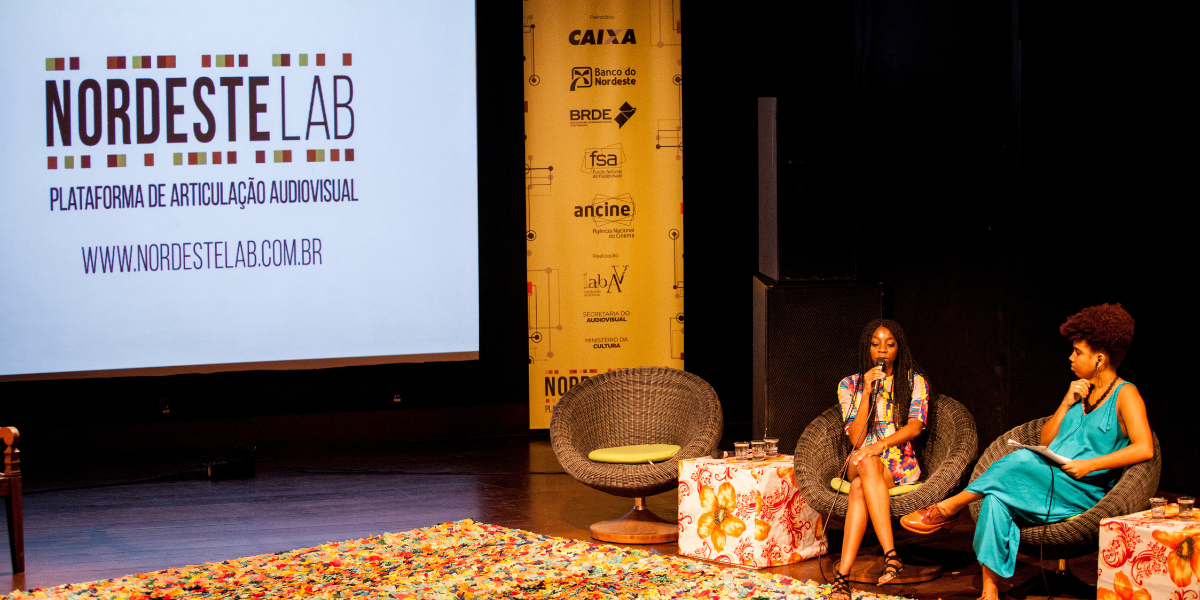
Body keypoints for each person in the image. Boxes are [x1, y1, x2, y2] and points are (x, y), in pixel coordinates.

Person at [900, 303, 1153, 600]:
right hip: (1051, 479)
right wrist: (1065, 403)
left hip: (1084, 487)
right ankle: (990, 592)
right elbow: (1047, 439)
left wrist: (1091, 465)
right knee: (994, 500)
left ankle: (949, 506)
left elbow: (1144, 447)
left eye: (1078, 352)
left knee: (1021, 459)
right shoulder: (1080, 392)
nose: (1071, 358)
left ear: (1099, 359)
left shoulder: (1126, 394)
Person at [829, 319, 931, 600]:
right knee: (866, 461)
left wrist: (880, 445)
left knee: (860, 486)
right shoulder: (849, 384)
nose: (882, 350)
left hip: (897, 462)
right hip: (860, 457)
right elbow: (857, 439)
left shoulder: (914, 382)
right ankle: (892, 554)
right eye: (876, 344)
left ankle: (842, 576)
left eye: (889, 344)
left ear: (899, 349)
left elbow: (915, 427)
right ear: (868, 348)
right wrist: (866, 392)